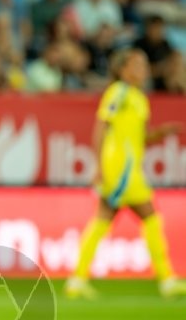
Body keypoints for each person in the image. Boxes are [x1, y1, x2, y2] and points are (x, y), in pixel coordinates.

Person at [65, 49, 186, 299]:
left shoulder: (139, 98)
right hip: (120, 168)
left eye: (145, 65)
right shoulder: (118, 92)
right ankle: (166, 279)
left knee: (103, 219)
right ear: (122, 70)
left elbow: (141, 136)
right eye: (137, 65)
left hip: (130, 169)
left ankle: (77, 279)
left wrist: (161, 133)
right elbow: (101, 125)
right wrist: (98, 165)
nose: (143, 70)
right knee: (149, 215)